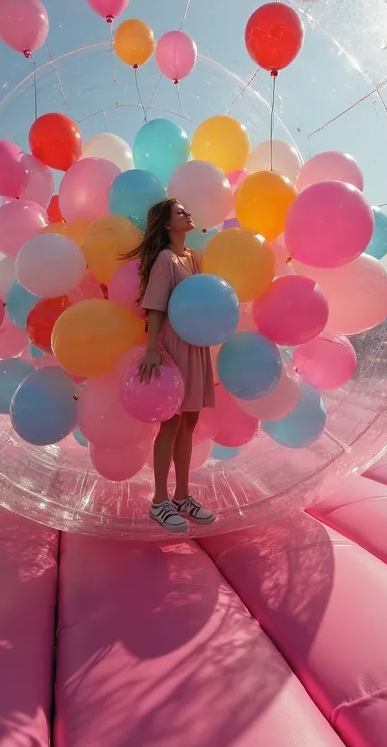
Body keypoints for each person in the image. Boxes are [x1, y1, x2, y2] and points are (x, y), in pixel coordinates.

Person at [127, 198, 216, 533]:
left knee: (189, 424)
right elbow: (155, 307)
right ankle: (159, 501)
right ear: (167, 225)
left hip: (198, 346)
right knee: (172, 425)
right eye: (180, 212)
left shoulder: (193, 258)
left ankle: (182, 496)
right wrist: (152, 349)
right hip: (176, 348)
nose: (188, 213)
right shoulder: (166, 259)